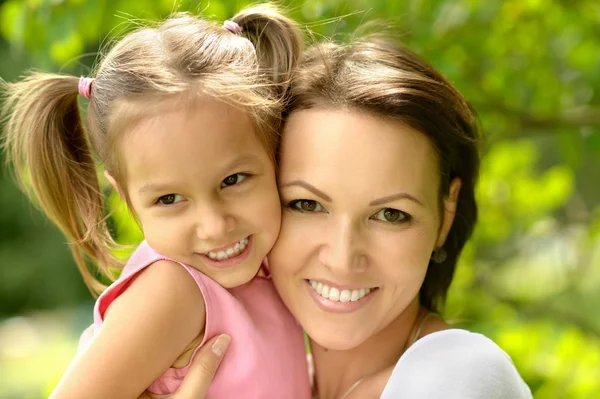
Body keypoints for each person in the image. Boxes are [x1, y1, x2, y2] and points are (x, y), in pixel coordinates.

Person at [174, 38, 534, 398]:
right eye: (307, 205)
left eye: (391, 214)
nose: (342, 258)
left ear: (445, 215)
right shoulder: (261, 385)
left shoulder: (457, 376)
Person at [0, 5, 312, 399]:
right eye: (169, 198)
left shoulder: (265, 271)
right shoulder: (172, 290)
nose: (214, 225)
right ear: (128, 198)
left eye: (233, 180)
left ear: (276, 154)